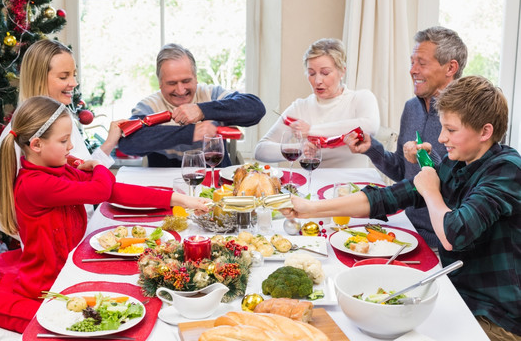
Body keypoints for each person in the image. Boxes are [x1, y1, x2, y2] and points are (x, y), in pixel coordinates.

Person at [282, 76, 521, 341]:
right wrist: (310, 209)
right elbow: (388, 198)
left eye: (451, 131)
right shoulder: (458, 162)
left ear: (485, 132)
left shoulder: (507, 169)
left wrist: (430, 191)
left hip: (494, 318)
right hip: (457, 295)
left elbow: (454, 234)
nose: (442, 139)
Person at [0, 96, 210, 333]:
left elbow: (113, 190)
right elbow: (102, 189)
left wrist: (180, 199)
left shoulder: (60, 171)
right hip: (51, 285)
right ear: (37, 145)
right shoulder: (35, 184)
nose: (70, 146)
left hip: (74, 269)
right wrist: (99, 166)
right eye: (63, 140)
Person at [345, 26, 468, 248]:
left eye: (422, 63)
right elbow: (403, 172)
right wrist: (372, 148)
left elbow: (461, 189)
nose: (413, 70)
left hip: (442, 242)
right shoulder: (412, 108)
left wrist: (427, 160)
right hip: (407, 229)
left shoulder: (468, 116)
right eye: (412, 63)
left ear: (450, 67)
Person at [0, 39, 125, 220]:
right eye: (64, 77)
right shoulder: (20, 133)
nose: (74, 83)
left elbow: (83, 171)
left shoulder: (62, 118)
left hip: (85, 226)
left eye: (74, 75)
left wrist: (109, 143)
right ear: (38, 79)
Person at [118, 43, 266, 167]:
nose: (180, 90)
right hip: (168, 189)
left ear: (196, 78)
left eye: (186, 81)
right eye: (172, 83)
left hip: (216, 186)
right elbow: (128, 143)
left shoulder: (211, 94)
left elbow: (255, 109)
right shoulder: (149, 106)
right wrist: (191, 133)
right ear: (160, 83)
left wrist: (202, 110)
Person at [254, 38, 380, 168]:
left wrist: (311, 131)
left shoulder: (360, 98)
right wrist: (300, 148)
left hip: (354, 185)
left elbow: (370, 126)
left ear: (342, 71)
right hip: (311, 184)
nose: (317, 80)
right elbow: (260, 151)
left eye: (325, 73)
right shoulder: (300, 107)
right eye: (311, 73)